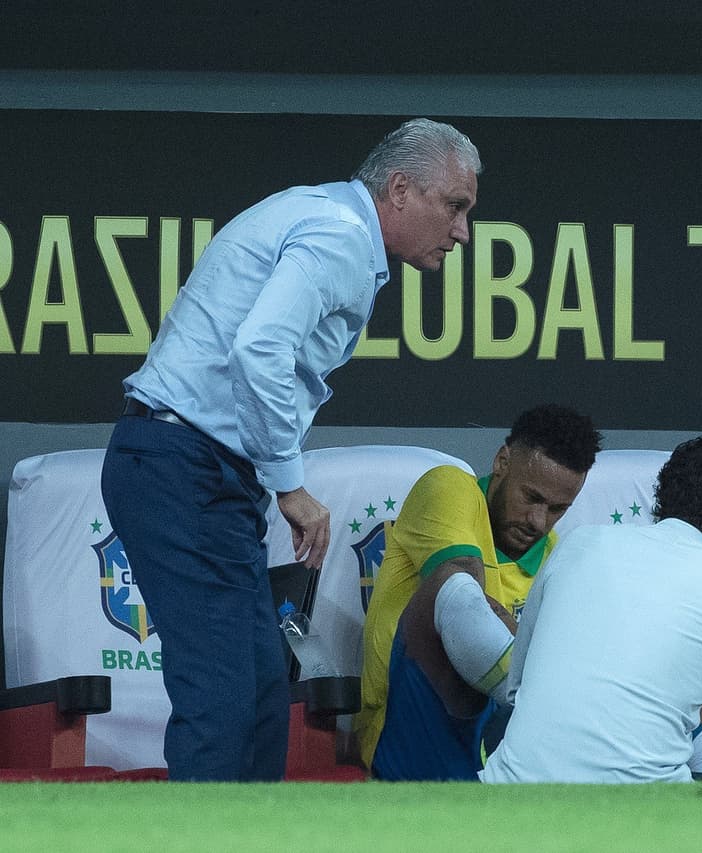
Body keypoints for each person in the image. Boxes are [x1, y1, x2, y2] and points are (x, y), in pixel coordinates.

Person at [99, 118, 481, 781]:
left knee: (258, 699)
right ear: (400, 189)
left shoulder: (331, 222)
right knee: (223, 700)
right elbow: (262, 349)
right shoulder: (340, 234)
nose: (463, 231)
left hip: (195, 470)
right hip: (180, 467)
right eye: (455, 206)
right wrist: (290, 486)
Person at [480, 434, 702, 783]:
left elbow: (516, 689)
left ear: (662, 503)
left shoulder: (578, 543)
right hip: (638, 825)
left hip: (503, 807)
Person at [355, 404, 602, 780]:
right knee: (455, 593)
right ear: (502, 461)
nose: (539, 521)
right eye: (531, 497)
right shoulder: (450, 486)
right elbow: (465, 604)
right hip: (412, 727)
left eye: (557, 509)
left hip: (504, 743)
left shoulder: (556, 557)